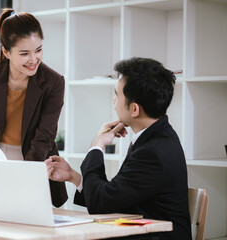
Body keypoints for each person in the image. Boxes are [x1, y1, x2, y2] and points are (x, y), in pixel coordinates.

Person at [45, 57, 192, 239]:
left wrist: (97, 146)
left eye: (117, 95)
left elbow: (102, 202)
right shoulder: (158, 135)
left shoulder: (152, 152)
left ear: (135, 109)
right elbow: (116, 197)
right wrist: (74, 177)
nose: (113, 100)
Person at [0, 8, 67, 207]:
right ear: (6, 51)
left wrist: (26, 178)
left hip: (34, 162)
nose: (33, 59)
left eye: (38, 50)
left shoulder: (53, 82)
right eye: (24, 53)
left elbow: (44, 137)